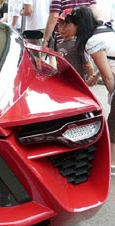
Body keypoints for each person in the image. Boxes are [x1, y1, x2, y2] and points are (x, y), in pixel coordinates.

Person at [63, 6, 115, 172]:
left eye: (68, 24)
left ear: (78, 25)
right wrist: (96, 75)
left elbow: (109, 77)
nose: (65, 28)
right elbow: (109, 59)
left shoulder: (92, 41)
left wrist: (112, 95)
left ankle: (111, 166)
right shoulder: (105, 29)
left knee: (113, 126)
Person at [56, 8, 94, 80]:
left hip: (77, 81)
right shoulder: (59, 45)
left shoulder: (78, 44)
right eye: (60, 25)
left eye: (66, 25)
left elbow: (87, 64)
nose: (62, 29)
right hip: (63, 79)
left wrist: (90, 77)